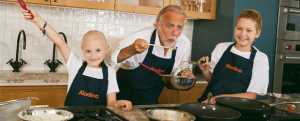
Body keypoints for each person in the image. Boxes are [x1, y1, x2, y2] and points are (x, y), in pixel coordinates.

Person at [19, 5, 132, 110]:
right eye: (88, 51)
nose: (93, 56)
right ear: (82, 50)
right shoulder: (75, 64)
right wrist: (38, 20)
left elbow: (111, 104)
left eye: (98, 50)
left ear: (106, 49)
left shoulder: (110, 72)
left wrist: (117, 104)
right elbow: (60, 42)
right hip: (71, 117)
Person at [105, 5, 194, 105]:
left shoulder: (184, 43)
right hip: (121, 103)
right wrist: (131, 50)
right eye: (170, 26)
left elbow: (180, 68)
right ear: (158, 25)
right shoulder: (140, 37)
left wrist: (184, 73)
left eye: (179, 27)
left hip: (150, 104)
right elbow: (107, 61)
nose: (175, 33)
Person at [197, 9, 269, 104]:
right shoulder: (221, 48)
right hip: (208, 104)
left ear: (257, 33)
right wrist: (205, 71)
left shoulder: (260, 59)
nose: (243, 34)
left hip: (236, 110)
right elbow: (214, 81)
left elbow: (251, 95)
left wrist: (221, 98)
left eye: (249, 30)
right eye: (239, 28)